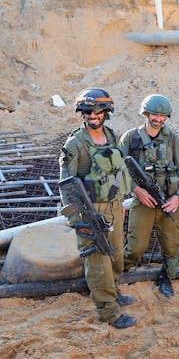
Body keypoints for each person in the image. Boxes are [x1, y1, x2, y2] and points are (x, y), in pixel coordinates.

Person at [58, 88, 136, 329]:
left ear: (106, 113)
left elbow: (117, 171)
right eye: (87, 111)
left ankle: (112, 292)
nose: (92, 115)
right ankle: (108, 311)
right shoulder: (75, 144)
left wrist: (120, 203)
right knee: (97, 261)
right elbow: (65, 185)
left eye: (97, 111)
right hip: (90, 210)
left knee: (116, 256)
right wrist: (77, 220)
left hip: (113, 206)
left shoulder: (112, 137)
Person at [119, 94, 179, 297]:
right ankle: (120, 273)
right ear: (145, 113)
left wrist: (177, 197)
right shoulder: (131, 138)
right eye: (154, 114)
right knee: (136, 247)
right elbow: (119, 169)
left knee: (172, 246)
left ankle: (167, 276)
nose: (158, 118)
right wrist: (137, 190)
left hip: (167, 201)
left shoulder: (172, 138)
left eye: (162, 115)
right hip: (143, 201)